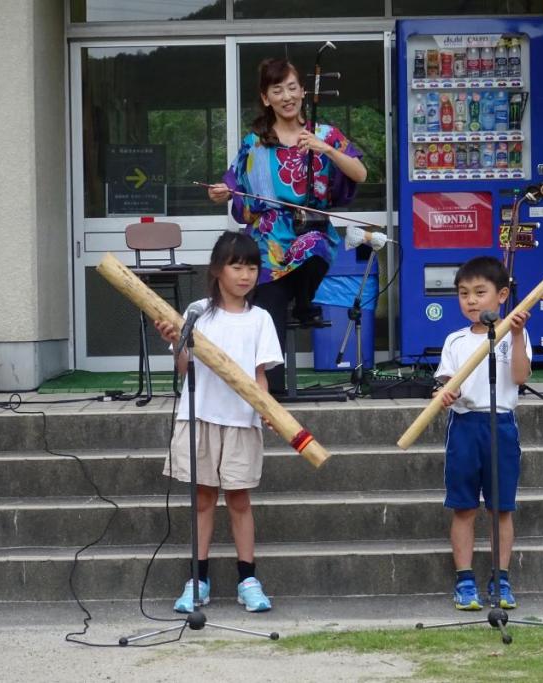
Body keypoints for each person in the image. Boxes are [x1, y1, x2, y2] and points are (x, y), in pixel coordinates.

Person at [206, 57, 367, 394]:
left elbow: (360, 173)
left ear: (303, 91)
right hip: (268, 243)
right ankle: (273, 396)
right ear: (266, 98)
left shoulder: (325, 134)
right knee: (269, 314)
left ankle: (305, 299)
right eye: (277, 90)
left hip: (310, 232)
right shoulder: (256, 142)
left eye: (292, 87)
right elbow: (236, 186)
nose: (286, 96)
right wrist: (223, 193)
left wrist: (327, 150)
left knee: (316, 244)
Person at [153, 231, 284, 614]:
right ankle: (198, 580)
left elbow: (260, 375)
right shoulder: (197, 312)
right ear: (216, 270)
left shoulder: (260, 319)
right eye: (236, 266)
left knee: (240, 499)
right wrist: (178, 342)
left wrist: (266, 409)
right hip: (200, 415)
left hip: (242, 420)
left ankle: (248, 579)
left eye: (252, 267)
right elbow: (184, 370)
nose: (245, 275)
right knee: (204, 498)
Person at [432, 256, 532, 611]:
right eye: (463, 294)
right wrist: (445, 394)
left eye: (479, 292)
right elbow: (445, 385)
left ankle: (501, 579)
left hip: (501, 425)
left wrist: (517, 335)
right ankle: (464, 580)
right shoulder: (455, 340)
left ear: (502, 294)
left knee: (501, 508)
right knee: (463, 507)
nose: (471, 301)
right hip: (464, 427)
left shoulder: (512, 334)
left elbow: (520, 378)